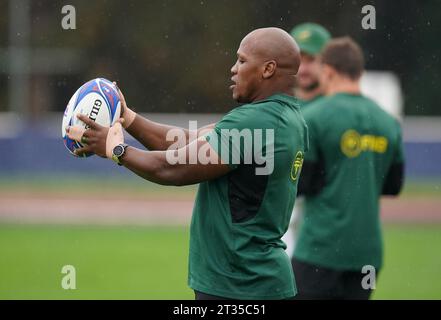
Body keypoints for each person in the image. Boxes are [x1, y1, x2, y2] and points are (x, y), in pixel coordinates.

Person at [66, 27, 308, 300]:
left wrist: (117, 150)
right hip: (252, 281)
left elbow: (174, 167)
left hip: (241, 284)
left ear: (268, 69)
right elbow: (186, 142)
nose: (233, 69)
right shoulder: (285, 117)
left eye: (241, 61)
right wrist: (129, 118)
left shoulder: (257, 121)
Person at [291, 37, 404, 300]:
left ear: (327, 71)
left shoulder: (314, 117)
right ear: (359, 72)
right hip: (367, 254)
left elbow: (302, 184)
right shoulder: (388, 122)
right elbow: (393, 186)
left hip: (320, 249)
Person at [282, 23, 331, 257]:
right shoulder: (278, 106)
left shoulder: (336, 109)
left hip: (320, 225)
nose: (304, 67)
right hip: (282, 223)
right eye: (299, 59)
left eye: (312, 59)